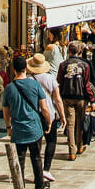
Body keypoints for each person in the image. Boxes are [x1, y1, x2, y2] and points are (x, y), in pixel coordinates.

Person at [1, 56, 53, 189]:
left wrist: (8, 126)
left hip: (18, 129)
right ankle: (39, 186)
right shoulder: (35, 85)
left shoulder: (9, 89)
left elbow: (6, 110)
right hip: (34, 127)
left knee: (20, 160)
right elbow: (44, 108)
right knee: (36, 158)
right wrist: (48, 122)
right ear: (26, 68)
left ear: (13, 69)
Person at [26, 53, 67, 181]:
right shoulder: (50, 78)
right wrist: (62, 115)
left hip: (34, 114)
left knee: (36, 144)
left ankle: (37, 172)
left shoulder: (28, 80)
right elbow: (58, 99)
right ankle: (46, 169)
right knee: (51, 141)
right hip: (49, 113)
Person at [57, 41, 95, 160]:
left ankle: (71, 151)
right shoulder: (85, 65)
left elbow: (59, 81)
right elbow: (86, 84)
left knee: (70, 124)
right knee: (80, 122)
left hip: (67, 96)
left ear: (69, 51)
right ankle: (79, 146)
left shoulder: (63, 65)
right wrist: (92, 99)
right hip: (81, 97)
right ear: (79, 52)